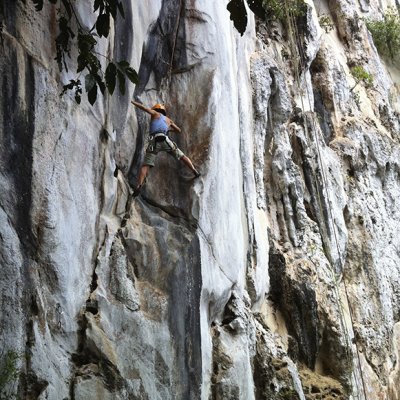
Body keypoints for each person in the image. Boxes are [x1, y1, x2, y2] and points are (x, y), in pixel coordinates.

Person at [131, 101, 200, 196]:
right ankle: (194, 171)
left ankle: (138, 185)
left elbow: (145, 109)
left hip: (154, 140)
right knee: (182, 155)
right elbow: (178, 130)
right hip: (165, 139)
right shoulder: (169, 120)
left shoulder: (155, 113)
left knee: (146, 165)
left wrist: (133, 102)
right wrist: (167, 128)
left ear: (156, 110)